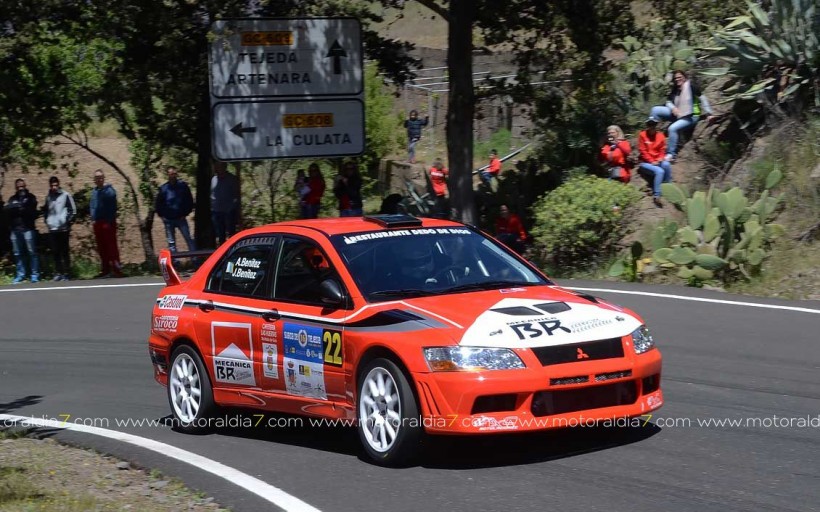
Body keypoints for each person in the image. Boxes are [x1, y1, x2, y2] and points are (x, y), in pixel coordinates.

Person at [649, 67, 713, 162]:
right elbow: (668, 102)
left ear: (684, 77)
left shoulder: (691, 86)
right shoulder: (676, 89)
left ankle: (671, 154)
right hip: (678, 113)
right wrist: (673, 108)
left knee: (672, 128)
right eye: (675, 78)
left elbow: (702, 98)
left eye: (680, 77)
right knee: (655, 110)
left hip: (691, 116)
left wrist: (709, 113)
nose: (677, 79)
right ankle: (651, 137)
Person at [4, 178, 39, 283]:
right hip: (15, 230)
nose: (21, 188)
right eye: (19, 187)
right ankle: (20, 274)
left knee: (32, 252)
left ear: (25, 186)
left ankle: (34, 275)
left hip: (28, 229)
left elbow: (31, 209)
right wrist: (18, 208)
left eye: (22, 186)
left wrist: (20, 208)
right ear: (16, 188)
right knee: (18, 253)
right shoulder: (12, 198)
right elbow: (8, 209)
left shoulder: (30, 197)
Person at [90, 170, 123, 278]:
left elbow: (113, 207)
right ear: (94, 180)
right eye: (97, 177)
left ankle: (117, 270)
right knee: (102, 247)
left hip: (107, 223)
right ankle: (105, 270)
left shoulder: (109, 191)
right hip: (97, 223)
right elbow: (92, 206)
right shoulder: (94, 192)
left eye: (100, 177)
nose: (99, 179)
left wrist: (109, 220)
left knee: (111, 247)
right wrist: (93, 218)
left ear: (104, 178)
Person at [155, 166, 196, 253]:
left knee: (188, 238)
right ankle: (175, 261)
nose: (172, 176)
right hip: (168, 220)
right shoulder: (164, 188)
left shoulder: (183, 186)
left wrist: (185, 213)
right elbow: (158, 204)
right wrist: (162, 216)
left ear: (176, 174)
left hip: (181, 218)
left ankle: (195, 258)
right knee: (171, 242)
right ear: (167, 175)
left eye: (173, 174)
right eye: (170, 174)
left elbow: (189, 201)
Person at [43, 176, 76, 281]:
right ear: (50, 185)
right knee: (55, 252)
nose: (54, 187)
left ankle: (67, 273)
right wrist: (47, 221)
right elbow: (46, 211)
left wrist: (66, 221)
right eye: (52, 185)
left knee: (64, 251)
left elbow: (73, 210)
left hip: (63, 229)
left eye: (56, 185)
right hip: (52, 229)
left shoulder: (65, 195)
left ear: (58, 184)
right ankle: (58, 273)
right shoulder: (48, 197)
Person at [638, 116, 673, 208]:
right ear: (647, 125)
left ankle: (668, 187)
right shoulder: (642, 135)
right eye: (649, 124)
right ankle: (657, 195)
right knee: (659, 171)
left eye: (653, 124)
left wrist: (660, 159)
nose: (651, 127)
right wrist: (651, 161)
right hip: (645, 163)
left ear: (656, 125)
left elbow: (662, 150)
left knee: (666, 164)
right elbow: (643, 151)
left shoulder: (661, 136)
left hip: (657, 160)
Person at [210, 162, 240, 245]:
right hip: (216, 212)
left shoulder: (231, 179)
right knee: (220, 235)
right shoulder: (213, 179)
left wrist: (232, 208)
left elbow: (236, 195)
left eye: (219, 166)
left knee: (231, 234)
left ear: (224, 167)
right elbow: (211, 194)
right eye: (216, 166)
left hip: (228, 212)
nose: (217, 168)